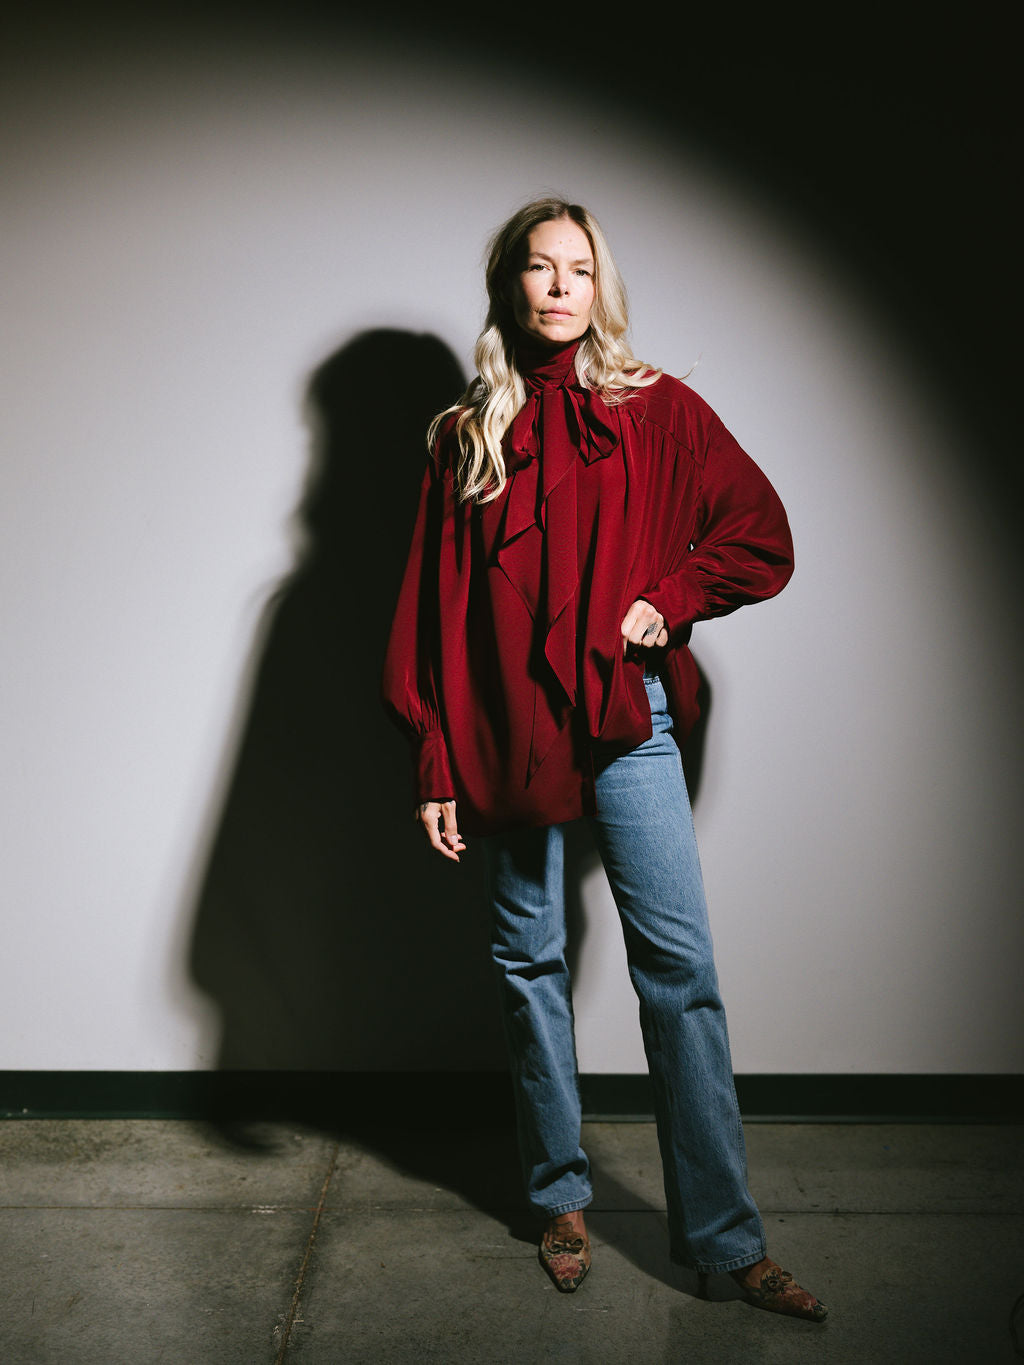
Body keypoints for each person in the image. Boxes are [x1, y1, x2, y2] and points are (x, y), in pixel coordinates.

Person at [381, 197, 826, 1323]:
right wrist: (436, 756)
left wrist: (669, 599)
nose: (559, 286)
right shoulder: (464, 434)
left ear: (600, 286)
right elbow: (430, 610)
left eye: (578, 268)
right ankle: (559, 1198)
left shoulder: (658, 410)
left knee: (679, 974)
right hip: (503, 726)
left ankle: (726, 1239)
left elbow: (759, 533)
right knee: (528, 963)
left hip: (625, 718)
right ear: (511, 285)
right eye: (539, 267)